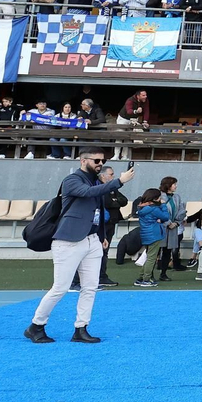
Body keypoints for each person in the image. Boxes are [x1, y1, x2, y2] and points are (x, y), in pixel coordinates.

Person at [25, 147, 133, 344]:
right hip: (68, 241)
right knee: (60, 287)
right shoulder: (72, 180)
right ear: (83, 161)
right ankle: (36, 325)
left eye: (103, 160)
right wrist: (119, 182)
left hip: (92, 240)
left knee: (90, 287)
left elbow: (98, 209)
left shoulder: (95, 181)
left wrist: (101, 235)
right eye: (97, 161)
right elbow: (87, 193)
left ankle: (81, 328)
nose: (100, 164)